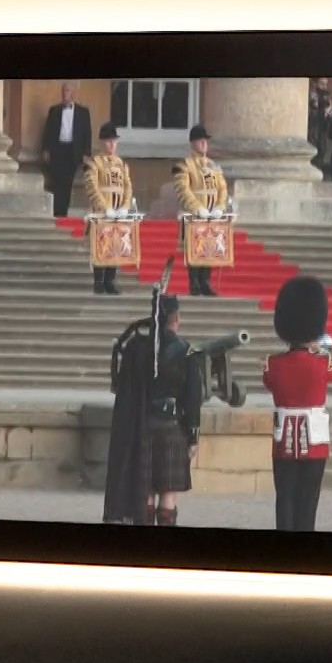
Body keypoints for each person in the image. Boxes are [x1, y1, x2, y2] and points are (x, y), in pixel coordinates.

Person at [103, 290, 204, 525]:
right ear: (176, 319)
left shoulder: (136, 348)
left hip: (141, 426)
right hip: (172, 428)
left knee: (145, 493)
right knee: (168, 494)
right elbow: (193, 398)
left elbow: (123, 387)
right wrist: (192, 436)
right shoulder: (186, 351)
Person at [262, 275, 332, 531]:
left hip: (283, 442)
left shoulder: (273, 364)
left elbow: (269, 382)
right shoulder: (323, 364)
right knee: (308, 501)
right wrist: (321, 350)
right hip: (315, 441)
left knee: (285, 498)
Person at [173, 124, 229, 297]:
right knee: (195, 248)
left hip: (212, 214)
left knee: (210, 247)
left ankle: (206, 282)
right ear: (192, 143)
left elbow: (222, 188)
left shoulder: (213, 166)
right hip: (195, 215)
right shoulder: (184, 165)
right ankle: (194, 282)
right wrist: (197, 207)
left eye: (205, 141)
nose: (204, 144)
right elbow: (183, 189)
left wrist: (220, 206)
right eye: (200, 141)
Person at [81, 121, 134, 295]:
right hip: (102, 211)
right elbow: (92, 186)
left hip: (118, 210)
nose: (112, 145)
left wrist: (125, 206)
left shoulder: (121, 164)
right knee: (100, 246)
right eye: (109, 141)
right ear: (102, 142)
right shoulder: (95, 163)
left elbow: (127, 187)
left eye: (114, 141)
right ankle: (99, 281)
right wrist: (104, 207)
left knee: (116, 246)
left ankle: (110, 280)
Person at [40, 83, 92, 218]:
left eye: (67, 91)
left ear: (73, 93)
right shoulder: (54, 110)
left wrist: (86, 153)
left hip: (72, 151)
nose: (64, 94)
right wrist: (45, 149)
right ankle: (56, 212)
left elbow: (87, 133)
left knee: (67, 183)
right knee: (56, 182)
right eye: (63, 91)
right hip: (57, 150)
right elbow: (47, 131)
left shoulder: (83, 112)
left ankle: (63, 212)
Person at [308, 76, 332, 170]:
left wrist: (329, 113)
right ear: (316, 84)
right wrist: (323, 109)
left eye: (326, 84)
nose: (324, 87)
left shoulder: (326, 96)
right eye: (322, 84)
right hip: (312, 131)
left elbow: (328, 120)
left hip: (321, 132)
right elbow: (313, 108)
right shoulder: (311, 94)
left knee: (322, 152)